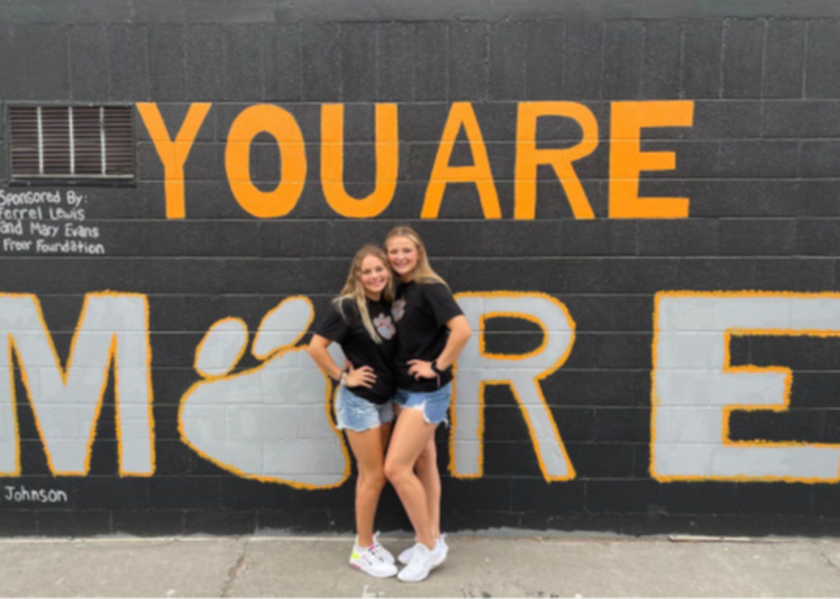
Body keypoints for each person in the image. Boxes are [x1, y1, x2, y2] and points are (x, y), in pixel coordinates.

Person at [383, 226, 472, 583]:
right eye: (393, 252)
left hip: (426, 392)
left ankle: (429, 544)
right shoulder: (401, 290)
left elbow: (463, 330)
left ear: (418, 253)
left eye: (406, 250)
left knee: (395, 469)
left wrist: (437, 365)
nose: (399, 257)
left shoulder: (431, 289)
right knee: (424, 461)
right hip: (404, 391)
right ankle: (432, 536)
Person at [307, 245, 399, 579]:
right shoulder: (346, 307)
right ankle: (362, 548)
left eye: (380, 269)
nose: (375, 276)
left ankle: (368, 540)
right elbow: (315, 347)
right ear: (356, 275)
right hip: (359, 403)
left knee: (380, 473)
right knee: (372, 475)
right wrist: (343, 376)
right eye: (368, 271)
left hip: (384, 401)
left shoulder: (385, 304)